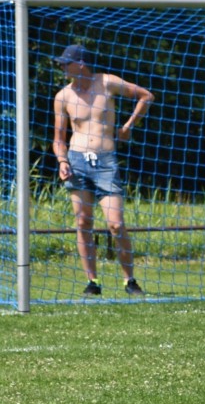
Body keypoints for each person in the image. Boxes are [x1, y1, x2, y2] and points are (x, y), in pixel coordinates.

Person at [52, 44, 154, 297]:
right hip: (77, 162)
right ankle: (93, 281)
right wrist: (62, 161)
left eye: (66, 63)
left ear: (81, 64)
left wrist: (128, 127)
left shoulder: (107, 83)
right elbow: (58, 139)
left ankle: (130, 280)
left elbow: (146, 96)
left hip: (106, 162)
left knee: (116, 224)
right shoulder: (63, 96)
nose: (62, 67)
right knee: (83, 221)